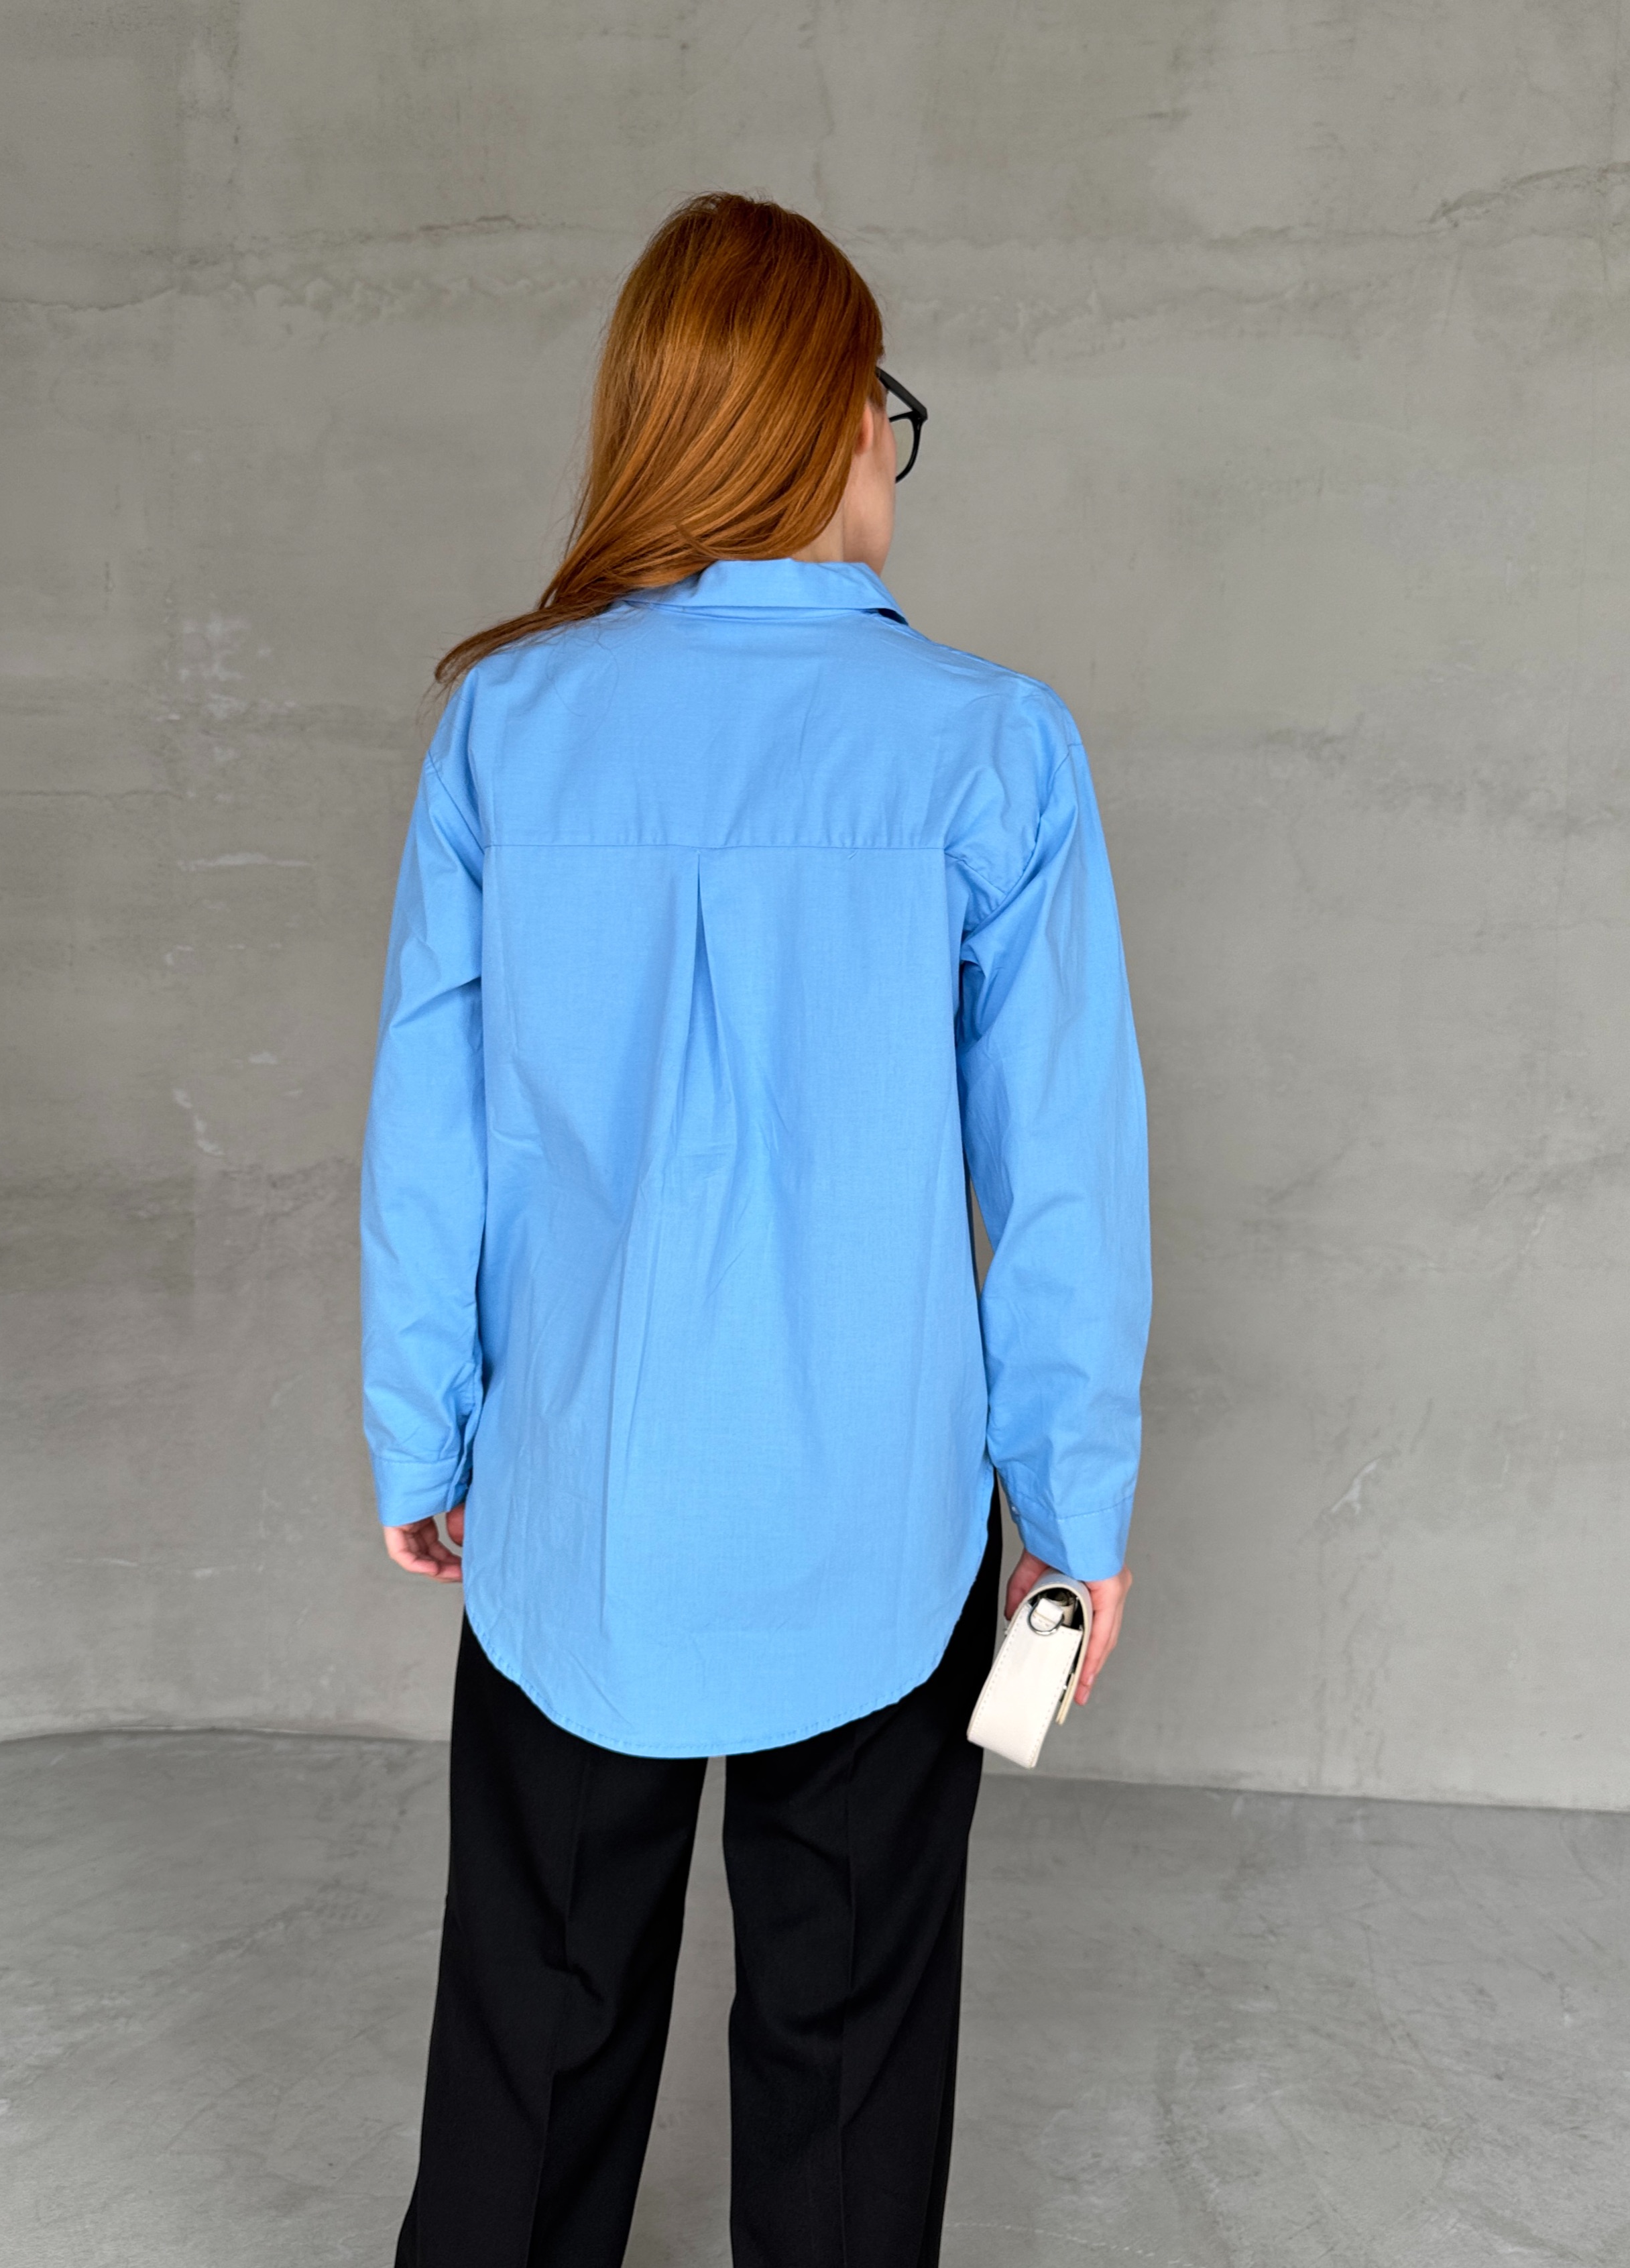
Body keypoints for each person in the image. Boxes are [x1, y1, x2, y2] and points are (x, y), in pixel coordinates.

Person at [361, 190, 1151, 2268]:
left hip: (577, 1502)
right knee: (847, 2063)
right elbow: (1063, 1179)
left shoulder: (508, 727)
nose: (892, 441)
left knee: (531, 2042)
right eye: (880, 400)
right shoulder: (994, 748)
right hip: (877, 1522)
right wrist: (1071, 1515)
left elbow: (429, 1128)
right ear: (823, 420)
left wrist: (420, 1436)